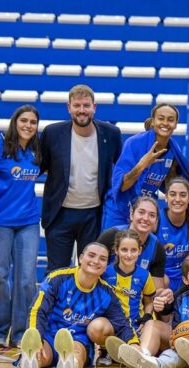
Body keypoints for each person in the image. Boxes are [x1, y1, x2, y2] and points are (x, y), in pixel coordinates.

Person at [17, 242, 141, 368]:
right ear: (81, 258)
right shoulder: (58, 278)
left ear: (106, 265)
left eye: (102, 259)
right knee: (41, 354)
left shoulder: (107, 293)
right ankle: (31, 361)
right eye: (91, 256)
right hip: (49, 334)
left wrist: (133, 344)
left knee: (77, 351)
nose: (96, 261)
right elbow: (37, 309)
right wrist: (37, 338)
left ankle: (69, 363)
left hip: (78, 337)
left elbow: (121, 322)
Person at [40, 84, 122, 272]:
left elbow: (121, 170)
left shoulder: (111, 134)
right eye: (77, 106)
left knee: (92, 270)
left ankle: (86, 303)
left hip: (94, 214)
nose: (82, 110)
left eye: (86, 105)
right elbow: (39, 166)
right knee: (56, 272)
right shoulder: (52, 133)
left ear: (94, 107)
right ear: (69, 108)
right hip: (60, 214)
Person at [0, 105, 41, 348]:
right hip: (0, 222)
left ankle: (20, 333)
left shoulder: (38, 151)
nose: (28, 125)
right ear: (14, 123)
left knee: (27, 279)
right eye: (24, 121)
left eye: (33, 122)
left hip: (28, 222)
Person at [102, 103, 189, 230]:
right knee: (113, 248)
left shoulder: (173, 151)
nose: (165, 123)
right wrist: (142, 165)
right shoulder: (134, 143)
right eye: (161, 118)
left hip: (146, 211)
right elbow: (121, 186)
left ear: (175, 125)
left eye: (170, 120)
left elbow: (169, 185)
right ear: (153, 122)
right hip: (120, 208)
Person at [98, 230, 160, 366]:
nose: (129, 254)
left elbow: (149, 302)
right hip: (113, 324)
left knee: (152, 330)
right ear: (116, 250)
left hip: (136, 325)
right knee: (98, 326)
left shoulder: (144, 275)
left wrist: (147, 317)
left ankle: (138, 355)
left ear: (140, 251)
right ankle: (105, 351)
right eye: (124, 250)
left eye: (133, 250)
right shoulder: (105, 273)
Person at [97, 196, 167, 292]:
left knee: (166, 282)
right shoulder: (110, 236)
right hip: (105, 294)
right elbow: (91, 267)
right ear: (131, 214)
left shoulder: (157, 248)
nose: (146, 218)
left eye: (152, 215)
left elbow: (156, 290)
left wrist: (164, 296)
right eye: (141, 212)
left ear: (156, 220)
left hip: (135, 298)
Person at [157, 178, 189, 292]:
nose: (177, 199)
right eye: (172, 194)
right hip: (163, 276)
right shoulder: (156, 219)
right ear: (166, 197)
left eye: (182, 195)